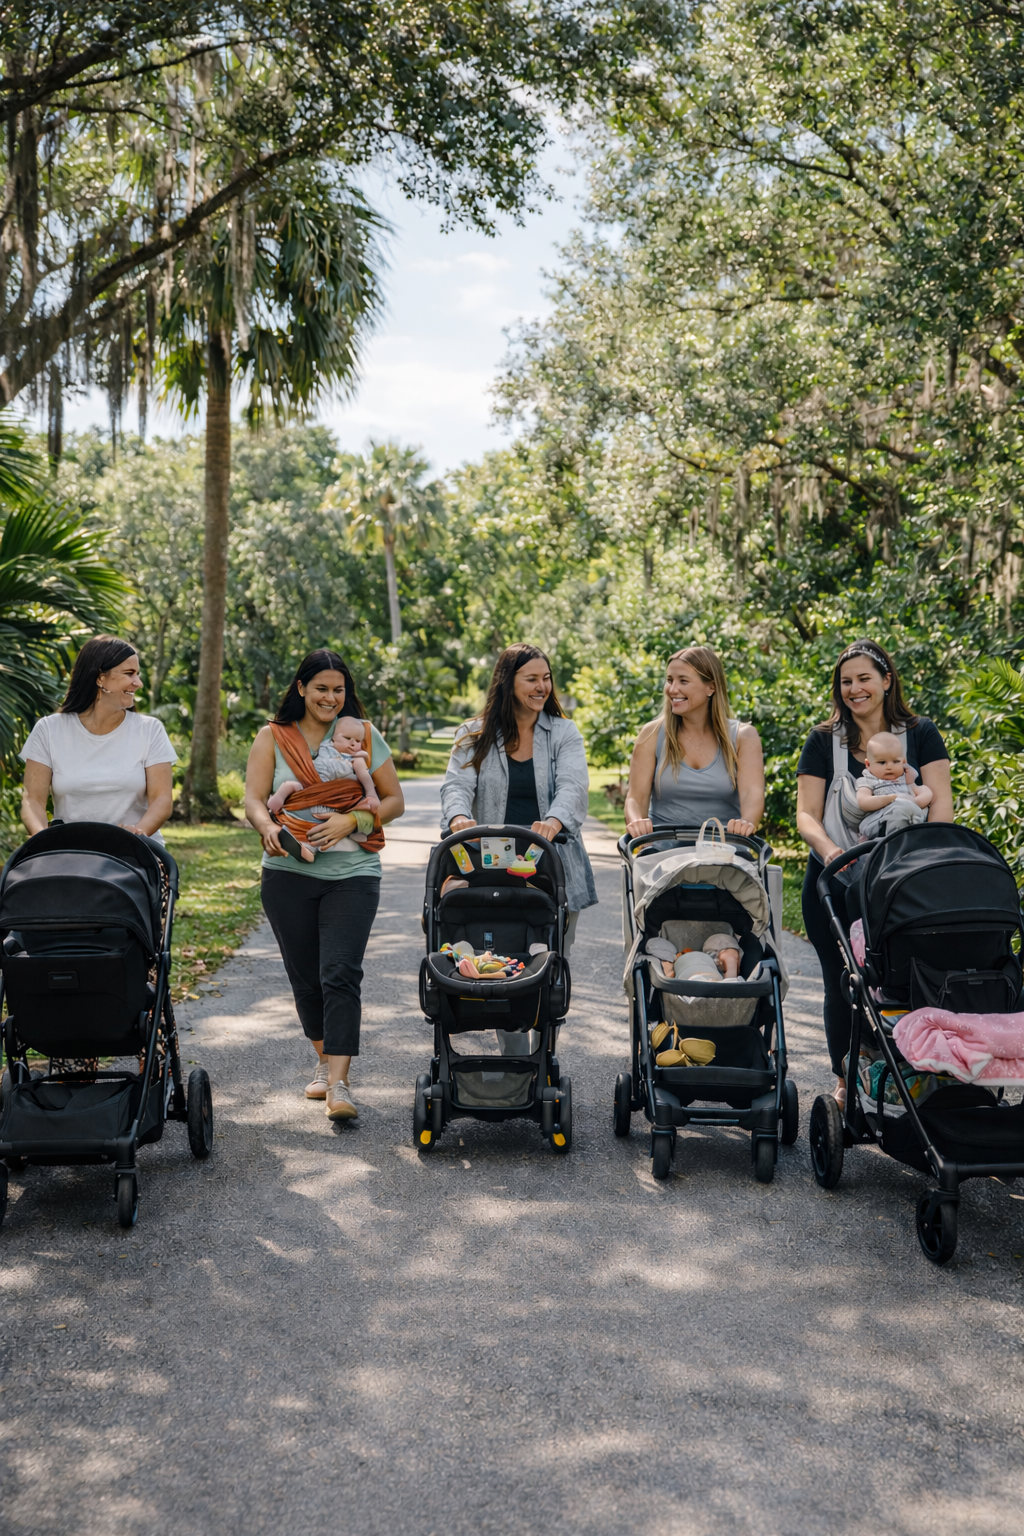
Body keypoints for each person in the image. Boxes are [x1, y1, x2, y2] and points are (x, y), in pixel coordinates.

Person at [244, 650, 405, 1121]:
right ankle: (322, 1059)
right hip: (287, 875)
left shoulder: (362, 735)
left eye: (338, 690)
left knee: (340, 973)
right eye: (321, 689)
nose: (330, 698)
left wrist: (351, 819)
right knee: (306, 978)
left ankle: (339, 1082)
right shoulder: (271, 738)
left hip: (352, 875)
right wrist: (268, 829)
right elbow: (255, 801)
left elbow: (392, 800)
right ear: (301, 688)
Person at [795, 639, 953, 1107]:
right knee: (841, 981)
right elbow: (806, 813)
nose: (855, 689)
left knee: (905, 977)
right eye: (846, 681)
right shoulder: (823, 740)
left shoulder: (921, 734)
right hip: (837, 880)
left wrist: (926, 854)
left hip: (906, 880)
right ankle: (846, 1081)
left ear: (887, 681)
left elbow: (940, 803)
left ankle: (917, 1074)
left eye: (865, 678)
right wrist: (828, 852)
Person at [440, 643, 596, 1057]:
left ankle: (542, 1056)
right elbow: (456, 786)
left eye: (546, 678)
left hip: (550, 866)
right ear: (508, 682)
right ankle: (515, 1057)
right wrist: (458, 818)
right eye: (532, 679)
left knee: (546, 960)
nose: (542, 686)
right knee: (502, 957)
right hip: (491, 868)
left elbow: (573, 787)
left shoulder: (564, 732)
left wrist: (555, 821)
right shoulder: (473, 734)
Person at [20, 635, 176, 839]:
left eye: (137, 674)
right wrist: (43, 840)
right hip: (70, 851)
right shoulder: (48, 730)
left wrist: (136, 835)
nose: (138, 683)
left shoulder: (150, 730)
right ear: (100, 678)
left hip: (135, 852)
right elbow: (33, 800)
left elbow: (162, 800)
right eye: (129, 674)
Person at [624, 645, 765, 838]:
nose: (672, 689)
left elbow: (752, 795)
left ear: (711, 687)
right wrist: (636, 824)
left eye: (683, 681)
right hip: (664, 852)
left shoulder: (743, 736)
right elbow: (635, 798)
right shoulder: (652, 734)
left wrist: (746, 823)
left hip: (724, 851)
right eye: (669, 680)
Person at [268, 713, 381, 859]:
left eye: (358, 740)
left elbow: (365, 776)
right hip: (312, 785)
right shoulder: (326, 745)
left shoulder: (356, 758)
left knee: (348, 812)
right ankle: (276, 802)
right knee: (290, 785)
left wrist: (371, 793)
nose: (353, 743)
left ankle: (312, 850)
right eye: (347, 738)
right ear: (333, 737)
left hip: (337, 797)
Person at [856, 730, 932, 838]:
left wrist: (914, 802)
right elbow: (863, 802)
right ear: (868, 764)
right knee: (900, 809)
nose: (889, 767)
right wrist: (888, 799)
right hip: (878, 823)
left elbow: (926, 794)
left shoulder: (905, 780)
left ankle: (903, 841)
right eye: (882, 762)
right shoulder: (868, 780)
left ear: (903, 762)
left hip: (909, 819)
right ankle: (891, 842)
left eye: (895, 762)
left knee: (907, 809)